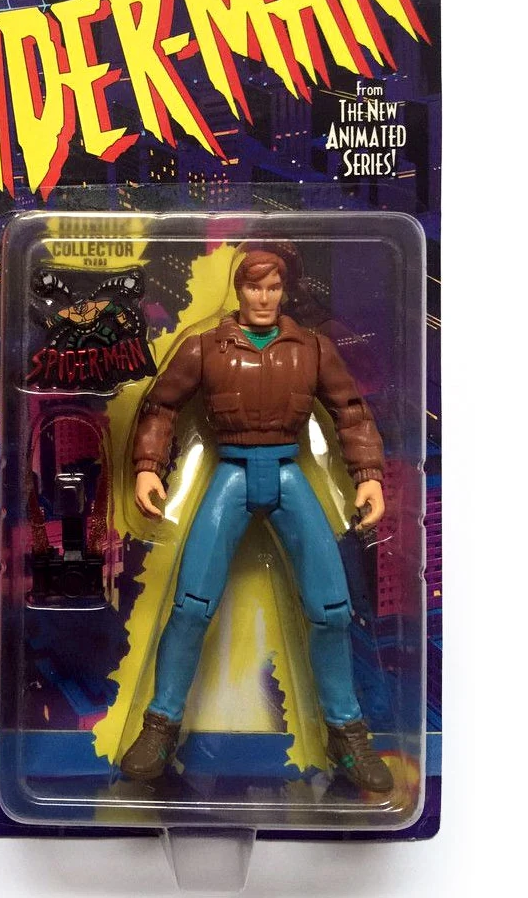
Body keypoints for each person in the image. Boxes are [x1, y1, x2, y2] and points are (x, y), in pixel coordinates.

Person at [121, 249, 393, 792]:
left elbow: (350, 410)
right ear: (239, 290)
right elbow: (161, 406)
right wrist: (148, 466)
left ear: (284, 291)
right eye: (254, 287)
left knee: (332, 610)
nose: (263, 298)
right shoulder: (206, 347)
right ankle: (159, 727)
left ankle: (347, 734)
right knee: (191, 606)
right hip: (231, 475)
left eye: (273, 288)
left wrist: (367, 474)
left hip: (290, 474)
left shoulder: (312, 348)